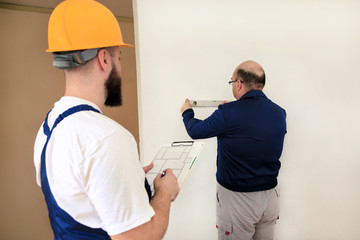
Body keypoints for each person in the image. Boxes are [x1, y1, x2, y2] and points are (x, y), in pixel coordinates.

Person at [33, 0, 179, 239]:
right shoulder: (108, 138)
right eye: (119, 58)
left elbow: (78, 196)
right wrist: (164, 193)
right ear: (104, 59)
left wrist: (124, 177)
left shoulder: (49, 127)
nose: (120, 67)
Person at [180, 60, 287, 240]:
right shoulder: (279, 112)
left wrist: (187, 113)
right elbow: (251, 130)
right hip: (270, 199)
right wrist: (227, 115)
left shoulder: (228, 113)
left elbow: (195, 131)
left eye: (232, 82)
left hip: (239, 200)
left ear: (238, 83)